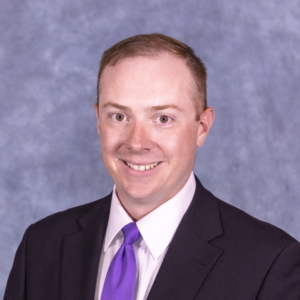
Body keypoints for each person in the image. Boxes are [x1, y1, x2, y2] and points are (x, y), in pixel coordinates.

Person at [4, 33, 300, 300]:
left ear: (202, 127)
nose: (136, 143)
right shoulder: (42, 245)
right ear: (98, 120)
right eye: (119, 116)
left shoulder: (270, 263)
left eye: (163, 119)